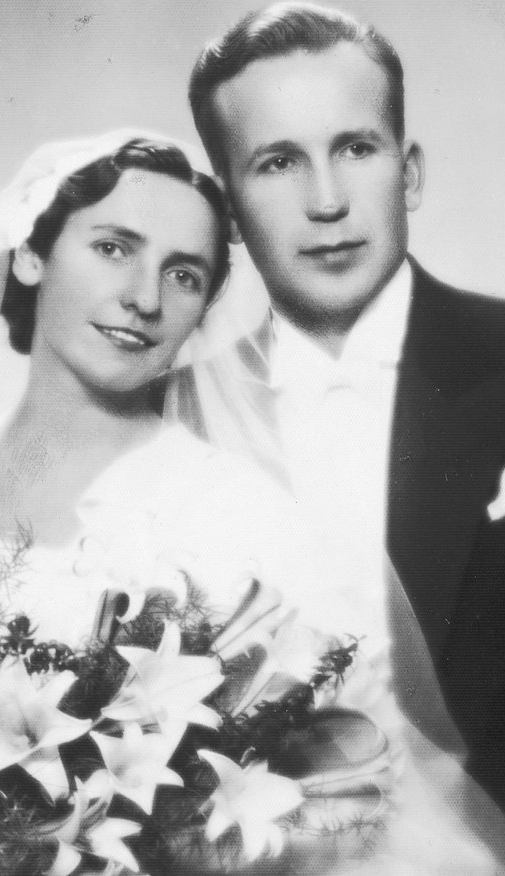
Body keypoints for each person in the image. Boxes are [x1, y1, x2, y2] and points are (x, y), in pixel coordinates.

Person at [0, 130, 504, 876]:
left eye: (185, 275)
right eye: (112, 248)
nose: (144, 297)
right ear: (32, 254)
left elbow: (363, 776)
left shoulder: (237, 515)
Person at [188, 0, 505, 810]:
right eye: (278, 162)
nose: (326, 201)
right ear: (227, 213)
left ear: (411, 172)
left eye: (355, 148)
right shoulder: (175, 412)